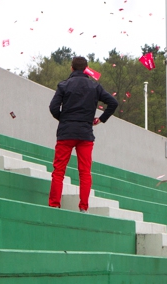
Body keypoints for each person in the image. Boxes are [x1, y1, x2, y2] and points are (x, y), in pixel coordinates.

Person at [48, 56, 118, 212]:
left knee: (59, 170)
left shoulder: (64, 85)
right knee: (85, 172)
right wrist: (101, 119)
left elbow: (53, 108)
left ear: (71, 68)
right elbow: (113, 103)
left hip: (66, 133)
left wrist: (65, 119)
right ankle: (84, 207)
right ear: (86, 69)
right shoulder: (95, 87)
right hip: (85, 133)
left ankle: (54, 205)